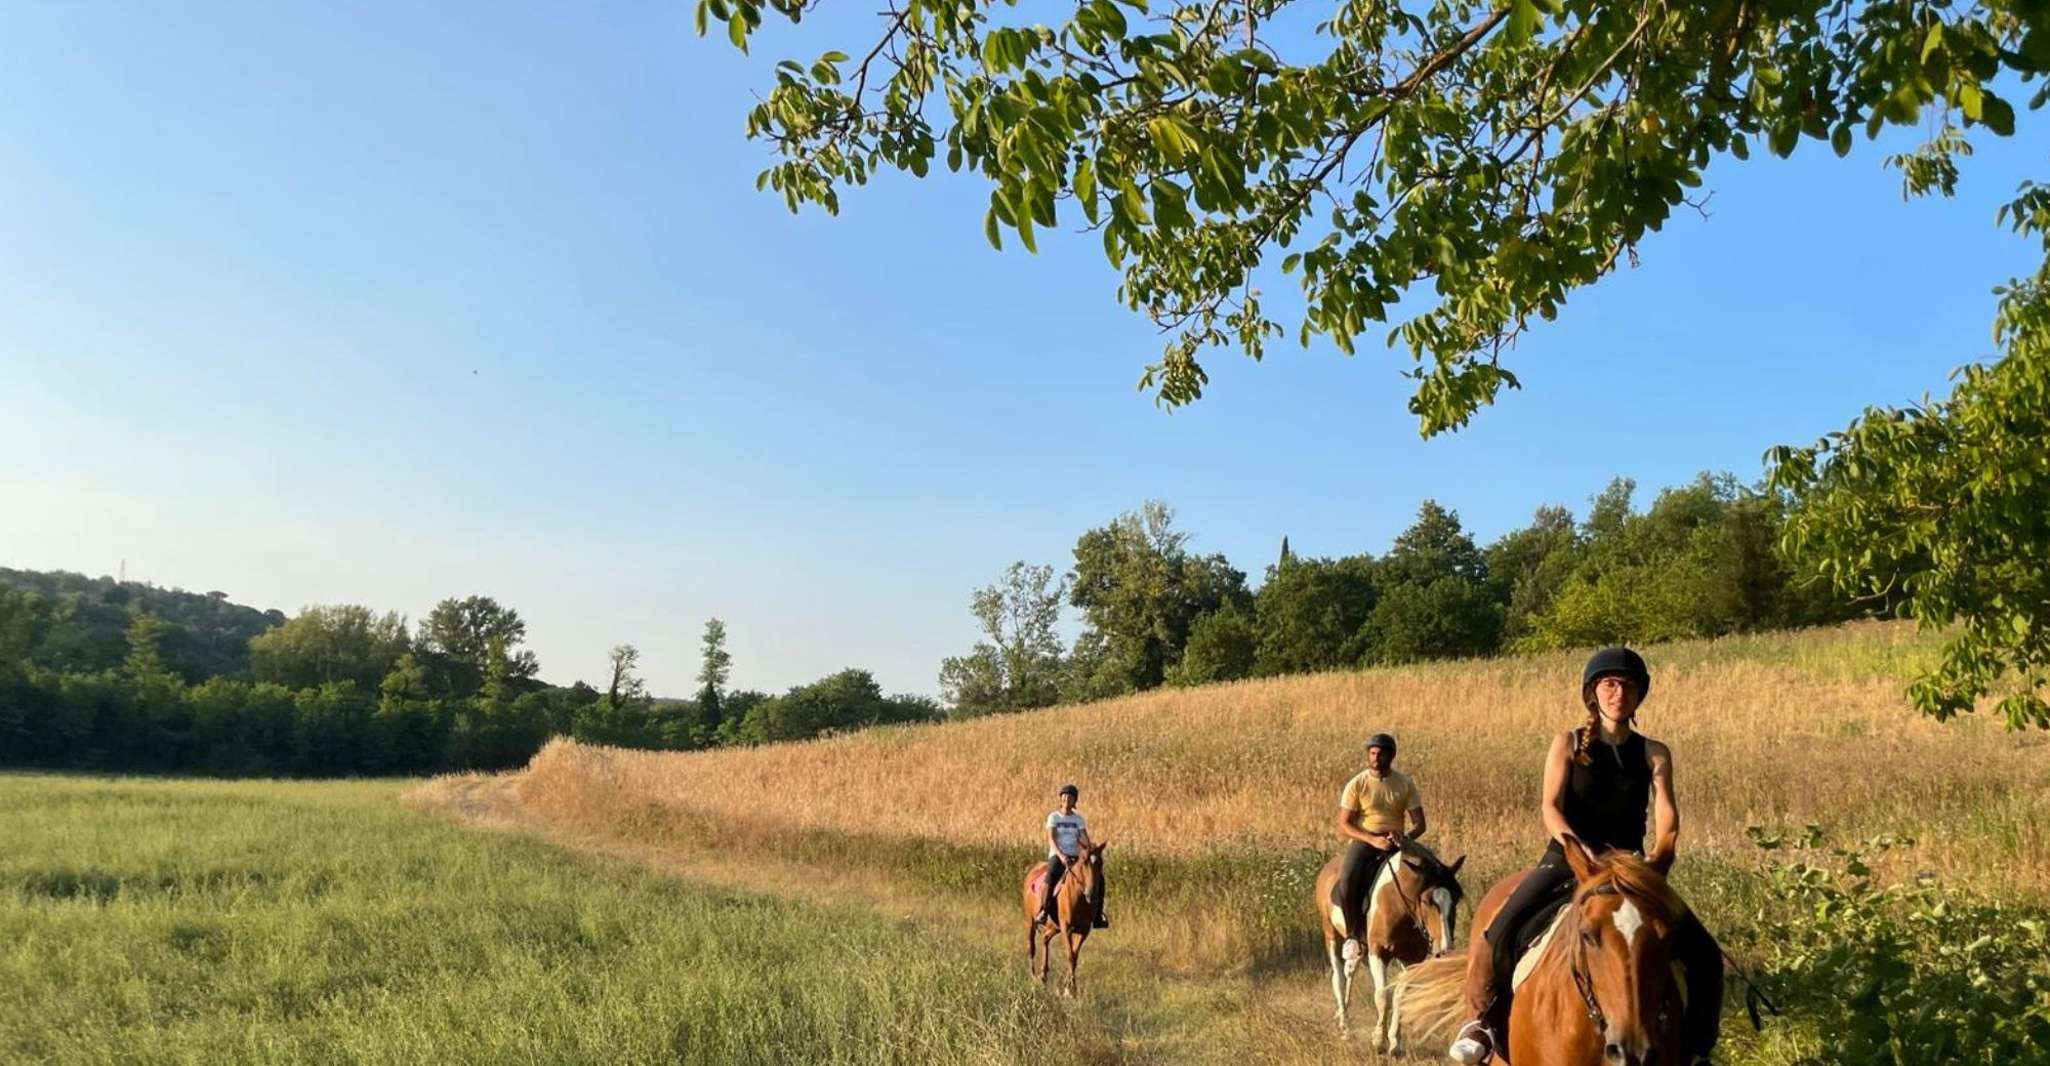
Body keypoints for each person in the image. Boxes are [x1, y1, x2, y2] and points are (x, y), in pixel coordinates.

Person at [1448, 647, 1723, 1066]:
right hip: (1568, 860)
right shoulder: (1568, 743)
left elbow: (1666, 813)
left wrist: (1661, 854)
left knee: (1704, 953)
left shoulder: (1654, 752)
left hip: (1629, 869)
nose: (1619, 693)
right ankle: (1482, 1022)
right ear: (1593, 692)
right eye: (1610, 684)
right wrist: (1578, 847)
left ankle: (1698, 1049)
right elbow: (1549, 806)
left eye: (1628, 685)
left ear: (1639, 695)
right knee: (1501, 929)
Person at [1331, 732, 1427, 957]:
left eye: (1380, 754)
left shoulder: (1404, 783)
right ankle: (1353, 936)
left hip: (1398, 840)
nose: (1375, 758)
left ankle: (1429, 932)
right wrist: (1372, 839)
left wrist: (1406, 838)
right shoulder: (1357, 784)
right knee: (1347, 879)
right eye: (1372, 753)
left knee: (1429, 874)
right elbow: (1344, 824)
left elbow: (1420, 824)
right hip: (1366, 839)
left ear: (1390, 757)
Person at [1037, 783, 1109, 929]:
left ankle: (1098, 915)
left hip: (1077, 857)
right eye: (1064, 796)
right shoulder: (1054, 817)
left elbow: (1084, 837)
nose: (1067, 799)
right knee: (1051, 874)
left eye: (1070, 797)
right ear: (1060, 799)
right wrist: (1061, 855)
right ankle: (1043, 910)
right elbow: (1052, 838)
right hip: (1059, 855)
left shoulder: (1078, 819)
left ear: (1075, 801)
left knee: (1099, 879)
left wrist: (1090, 849)